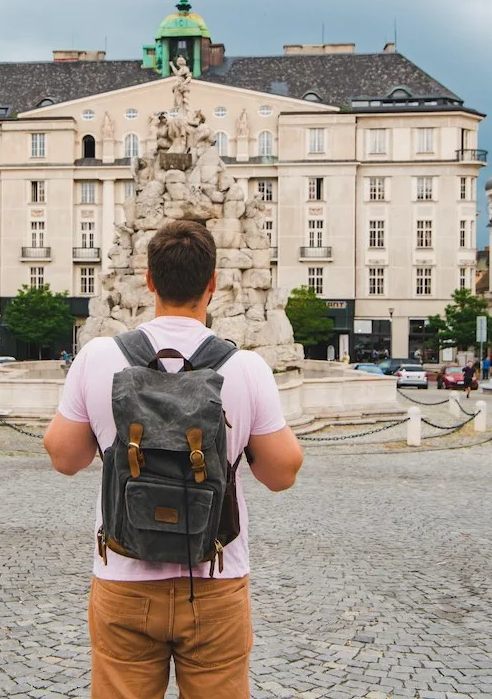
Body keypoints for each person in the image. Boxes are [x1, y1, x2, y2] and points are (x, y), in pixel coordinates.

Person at [43, 220, 304, 698]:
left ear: (148, 280)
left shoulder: (99, 357)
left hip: (124, 577)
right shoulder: (245, 368)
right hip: (215, 581)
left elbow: (63, 456)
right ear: (213, 283)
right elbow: (283, 472)